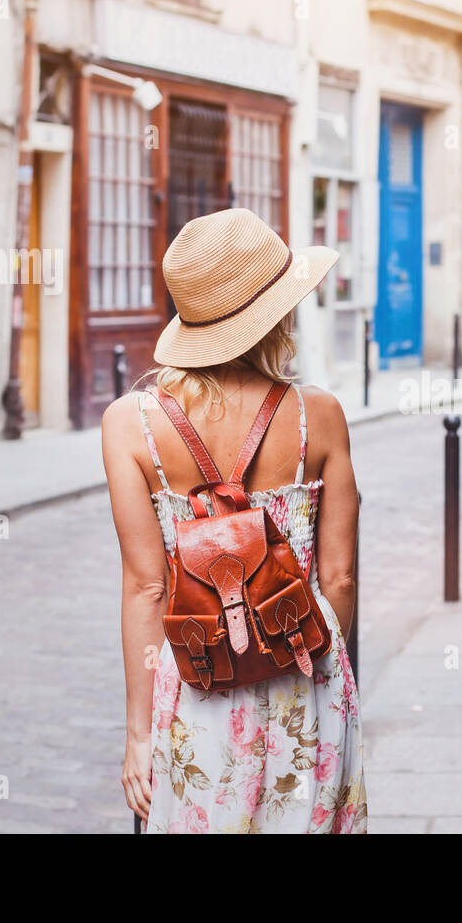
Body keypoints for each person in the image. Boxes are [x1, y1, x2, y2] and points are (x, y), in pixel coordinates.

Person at [101, 208, 366, 833]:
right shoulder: (318, 416)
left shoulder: (129, 424)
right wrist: (309, 665)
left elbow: (145, 586)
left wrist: (139, 734)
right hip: (306, 677)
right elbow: (341, 577)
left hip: (197, 686)